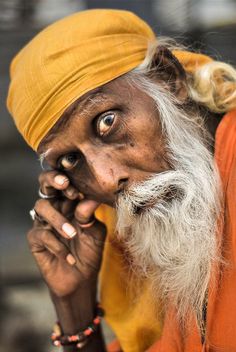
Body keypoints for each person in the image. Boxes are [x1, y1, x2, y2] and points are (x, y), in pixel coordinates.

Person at [6, 8, 236, 352]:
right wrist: (73, 303)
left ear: (167, 78)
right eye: (71, 160)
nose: (107, 178)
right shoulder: (181, 235)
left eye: (107, 122)